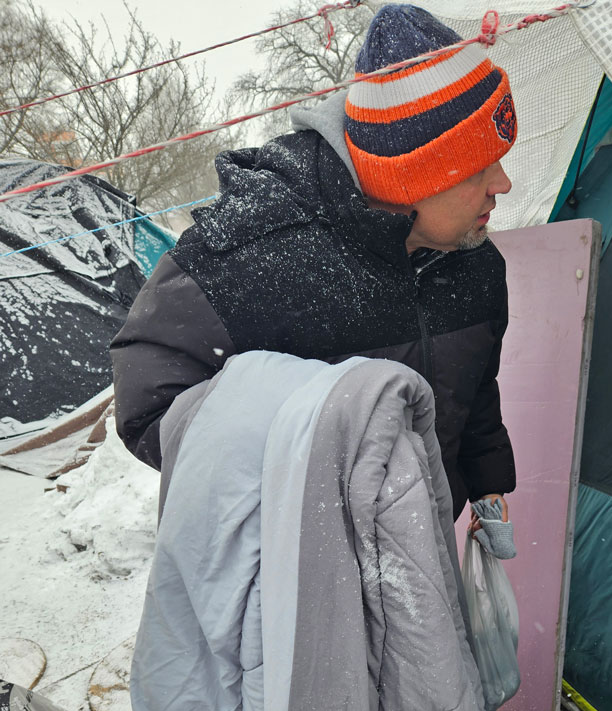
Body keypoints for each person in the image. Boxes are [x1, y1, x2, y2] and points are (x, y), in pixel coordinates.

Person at [110, 3, 517, 521]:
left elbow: (475, 387)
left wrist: (486, 482)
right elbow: (150, 400)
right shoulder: (251, 254)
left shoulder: (475, 262)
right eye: (479, 167)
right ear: (411, 179)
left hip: (424, 543)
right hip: (302, 562)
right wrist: (302, 485)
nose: (502, 184)